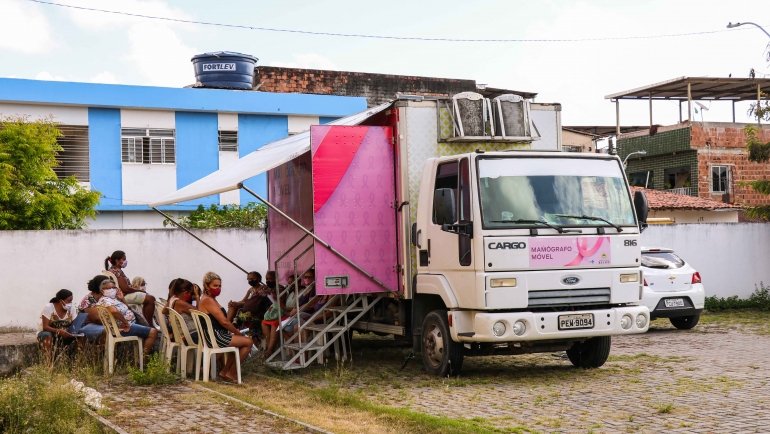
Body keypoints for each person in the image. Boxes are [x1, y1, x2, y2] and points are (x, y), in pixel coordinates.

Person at [197, 272, 253, 383]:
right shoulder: (208, 300)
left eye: (219, 286)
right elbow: (224, 321)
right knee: (248, 342)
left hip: (214, 334)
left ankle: (225, 372)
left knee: (240, 343)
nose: (218, 288)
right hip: (216, 336)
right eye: (215, 286)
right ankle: (231, 373)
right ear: (207, 286)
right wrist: (237, 332)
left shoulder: (208, 298)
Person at [96, 277, 158, 362]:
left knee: (146, 329)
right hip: (123, 328)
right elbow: (114, 311)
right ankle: (144, 361)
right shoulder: (105, 300)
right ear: (102, 291)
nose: (112, 289)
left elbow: (127, 308)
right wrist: (125, 323)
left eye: (113, 287)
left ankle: (140, 360)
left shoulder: (114, 299)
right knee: (153, 332)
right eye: (108, 288)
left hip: (129, 324)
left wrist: (122, 299)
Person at [105, 250, 156, 325]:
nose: (125, 261)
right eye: (123, 259)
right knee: (151, 299)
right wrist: (139, 291)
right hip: (123, 296)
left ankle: (147, 323)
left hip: (120, 295)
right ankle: (150, 324)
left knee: (147, 299)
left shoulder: (112, 270)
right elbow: (125, 288)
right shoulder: (117, 271)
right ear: (117, 260)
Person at [38, 289, 83, 359]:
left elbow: (74, 325)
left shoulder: (71, 308)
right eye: (69, 301)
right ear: (60, 301)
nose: (71, 303)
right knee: (47, 335)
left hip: (65, 333)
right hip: (48, 332)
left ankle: (79, 361)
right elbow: (45, 327)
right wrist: (58, 331)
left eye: (71, 301)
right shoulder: (49, 307)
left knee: (82, 335)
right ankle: (48, 363)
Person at [77, 276, 111, 344]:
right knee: (109, 331)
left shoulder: (105, 298)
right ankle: (101, 353)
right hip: (86, 326)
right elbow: (96, 319)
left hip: (101, 325)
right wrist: (115, 323)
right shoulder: (88, 300)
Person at [163, 278, 198, 345]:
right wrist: (197, 296)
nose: (190, 296)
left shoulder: (172, 299)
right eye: (190, 293)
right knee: (212, 338)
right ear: (185, 293)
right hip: (188, 337)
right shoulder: (180, 303)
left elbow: (164, 311)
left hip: (180, 335)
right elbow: (200, 313)